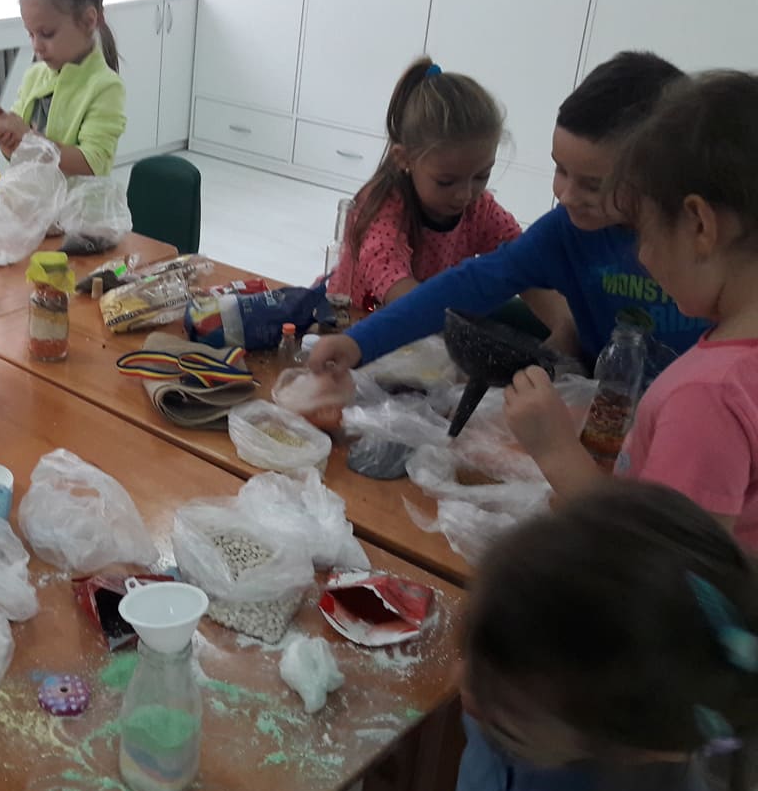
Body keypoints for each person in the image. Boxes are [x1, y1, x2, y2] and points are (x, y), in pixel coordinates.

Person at [308, 51, 704, 373]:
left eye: (593, 184)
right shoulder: (564, 231)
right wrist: (359, 343)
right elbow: (467, 285)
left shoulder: (706, 249)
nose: (566, 196)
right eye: (560, 170)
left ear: (657, 176)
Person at [505, 71, 758, 551]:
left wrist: (555, 449)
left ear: (699, 226)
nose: (641, 256)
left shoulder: (708, 394)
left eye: (642, 229)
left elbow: (662, 562)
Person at [445, 480, 757, 791]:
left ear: (630, 751)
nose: (463, 688)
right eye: (469, 651)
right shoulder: (526, 690)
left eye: (508, 720)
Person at [328, 57, 533, 315]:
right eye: (446, 182)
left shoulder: (479, 209)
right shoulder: (383, 209)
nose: (465, 194)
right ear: (405, 159)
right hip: (352, 320)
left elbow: (524, 262)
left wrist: (563, 324)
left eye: (482, 176)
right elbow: (393, 283)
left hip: (424, 322)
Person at [0, 0, 126, 177]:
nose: (36, 46)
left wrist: (29, 139)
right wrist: (7, 139)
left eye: (47, 34)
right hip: (34, 196)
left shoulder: (106, 88)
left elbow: (92, 163)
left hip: (80, 202)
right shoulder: (34, 77)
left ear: (88, 21)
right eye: (31, 34)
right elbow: (19, 153)